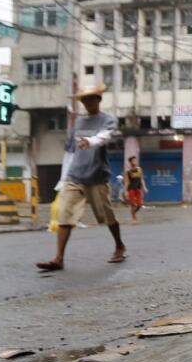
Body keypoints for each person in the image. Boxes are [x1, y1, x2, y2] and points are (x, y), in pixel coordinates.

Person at [36, 85, 126, 271]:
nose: (88, 103)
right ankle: (59, 258)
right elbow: (69, 152)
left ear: (99, 100)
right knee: (64, 214)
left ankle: (119, 245)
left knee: (106, 216)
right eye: (84, 100)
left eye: (91, 99)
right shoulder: (77, 124)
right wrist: (63, 178)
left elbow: (104, 137)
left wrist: (90, 141)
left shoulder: (107, 120)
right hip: (74, 176)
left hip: (97, 177)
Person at [124, 155, 147, 223]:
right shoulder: (127, 171)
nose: (135, 161)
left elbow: (142, 179)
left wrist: (144, 187)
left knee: (140, 204)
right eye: (133, 160)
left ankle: (133, 213)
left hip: (138, 189)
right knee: (133, 204)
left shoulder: (139, 169)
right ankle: (134, 219)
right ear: (130, 162)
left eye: (135, 160)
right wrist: (126, 191)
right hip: (131, 189)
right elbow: (127, 181)